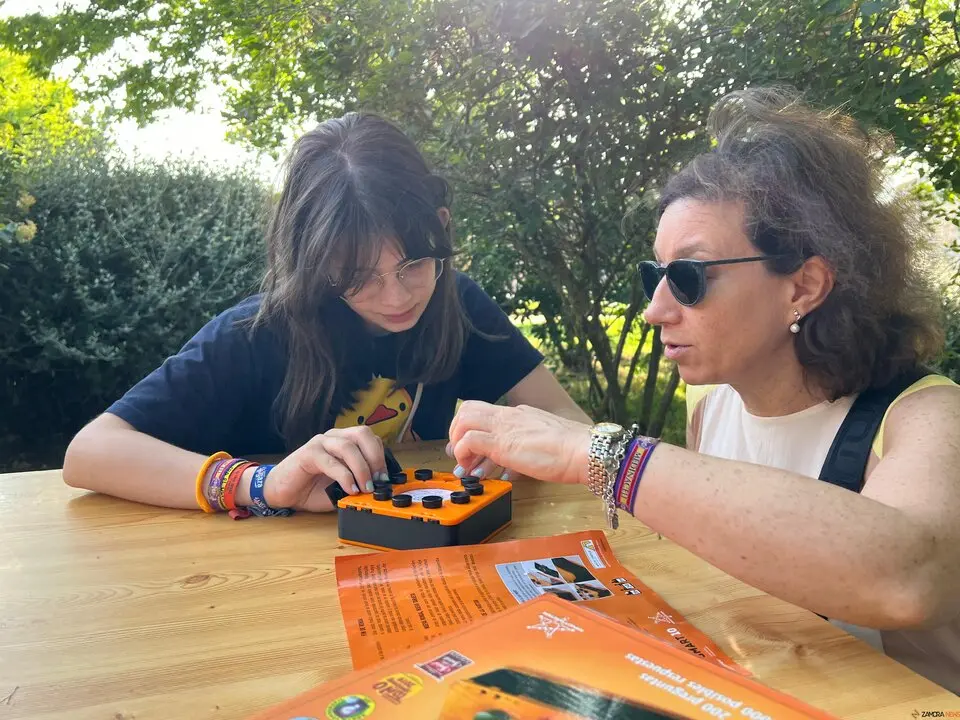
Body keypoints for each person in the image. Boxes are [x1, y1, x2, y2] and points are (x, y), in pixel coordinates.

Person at [447, 88, 960, 693]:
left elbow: (906, 577)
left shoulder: (927, 417)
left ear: (804, 286)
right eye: (654, 276)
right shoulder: (713, 402)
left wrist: (596, 454)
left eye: (688, 277)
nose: (655, 310)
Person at [63, 112, 590, 515]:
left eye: (414, 262)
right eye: (358, 277)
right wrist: (261, 484)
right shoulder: (258, 334)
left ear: (442, 228)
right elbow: (90, 452)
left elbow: (571, 421)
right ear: (314, 263)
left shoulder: (458, 303)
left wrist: (519, 445)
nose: (397, 296)